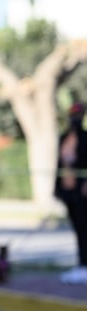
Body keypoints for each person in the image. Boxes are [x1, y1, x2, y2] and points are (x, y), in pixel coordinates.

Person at [55, 102, 87, 284]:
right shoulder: (64, 138)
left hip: (82, 191)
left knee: (85, 228)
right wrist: (57, 188)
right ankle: (81, 263)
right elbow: (58, 165)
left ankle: (85, 264)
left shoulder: (85, 138)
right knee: (77, 228)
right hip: (69, 191)